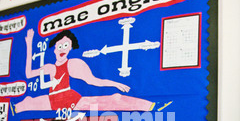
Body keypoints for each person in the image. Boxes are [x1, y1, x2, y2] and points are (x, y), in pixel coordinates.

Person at [15, 29, 153, 113]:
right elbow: (28, 74)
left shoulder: (73, 64)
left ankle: (149, 105)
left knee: (113, 100)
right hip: (52, 100)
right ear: (55, 48)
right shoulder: (50, 68)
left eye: (66, 46)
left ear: (70, 49)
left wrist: (114, 84)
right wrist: (29, 44)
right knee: (26, 103)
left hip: (71, 100)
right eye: (60, 46)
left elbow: (94, 81)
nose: (62, 49)